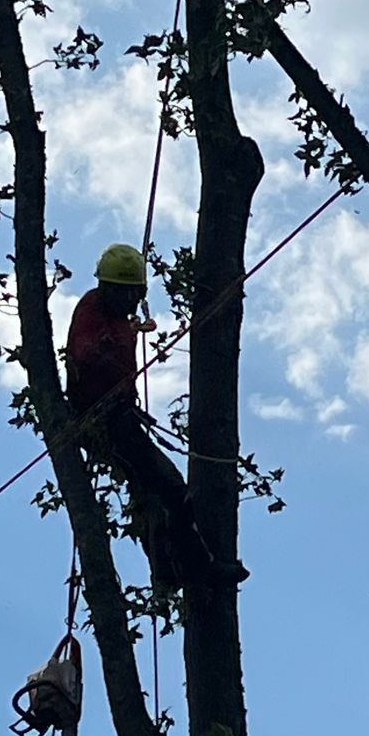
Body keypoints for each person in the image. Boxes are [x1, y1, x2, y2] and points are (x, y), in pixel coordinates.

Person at [63, 243, 233, 596]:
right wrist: (116, 344)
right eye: (118, 292)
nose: (125, 300)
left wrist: (130, 332)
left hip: (119, 418)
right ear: (104, 288)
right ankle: (199, 568)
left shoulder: (116, 317)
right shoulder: (92, 310)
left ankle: (168, 573)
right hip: (102, 421)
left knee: (154, 495)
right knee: (170, 487)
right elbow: (85, 351)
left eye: (131, 294)